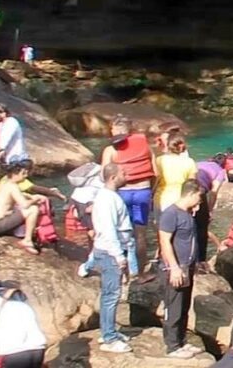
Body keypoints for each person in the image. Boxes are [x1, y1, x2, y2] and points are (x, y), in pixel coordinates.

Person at [101, 117, 156, 275]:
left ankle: (123, 272)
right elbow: (155, 173)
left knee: (122, 233)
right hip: (143, 191)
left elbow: (103, 176)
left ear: (114, 131)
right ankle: (140, 272)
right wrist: (151, 192)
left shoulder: (111, 150)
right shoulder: (145, 146)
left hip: (121, 193)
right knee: (140, 235)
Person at [158, 181, 204, 359]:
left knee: (184, 306)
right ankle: (172, 346)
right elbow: (164, 242)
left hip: (188, 267)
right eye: (199, 196)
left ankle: (182, 341)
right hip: (175, 268)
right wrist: (173, 267)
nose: (200, 200)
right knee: (174, 307)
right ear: (191, 193)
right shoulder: (170, 213)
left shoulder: (187, 214)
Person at [91, 163, 134, 353]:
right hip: (110, 253)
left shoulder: (107, 197)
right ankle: (108, 338)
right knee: (111, 295)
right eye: (123, 173)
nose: (127, 175)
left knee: (110, 294)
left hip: (108, 250)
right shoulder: (108, 199)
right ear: (113, 177)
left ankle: (109, 331)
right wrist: (119, 256)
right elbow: (109, 229)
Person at [0, 162, 45, 254]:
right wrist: (36, 199)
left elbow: (15, 197)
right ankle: (27, 240)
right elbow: (24, 204)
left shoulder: (5, 182)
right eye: (23, 173)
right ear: (14, 174)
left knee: (19, 210)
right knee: (33, 209)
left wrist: (29, 196)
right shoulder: (12, 186)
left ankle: (22, 234)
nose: (26, 176)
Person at [195, 154, 227, 262]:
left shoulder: (200, 163)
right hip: (200, 189)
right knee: (202, 227)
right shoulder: (220, 171)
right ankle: (201, 261)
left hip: (186, 187)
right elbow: (214, 191)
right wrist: (209, 210)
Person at [154, 137, 197, 213]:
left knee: (162, 223)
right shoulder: (189, 162)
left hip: (161, 198)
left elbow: (156, 179)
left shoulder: (159, 160)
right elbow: (191, 184)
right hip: (181, 199)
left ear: (168, 147)